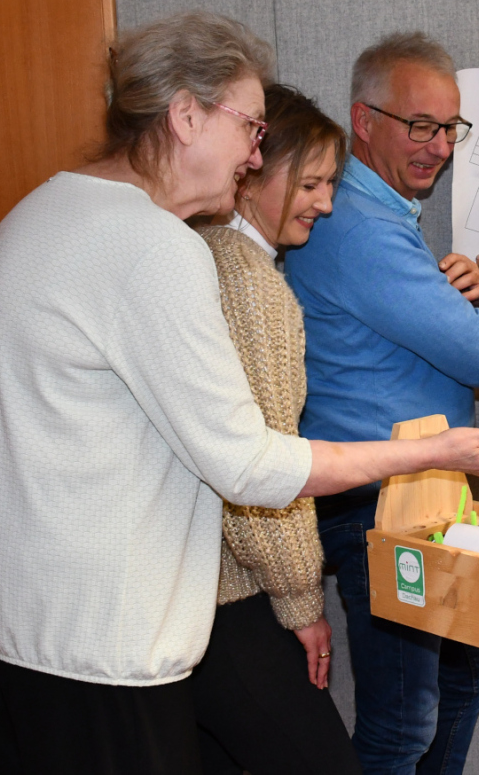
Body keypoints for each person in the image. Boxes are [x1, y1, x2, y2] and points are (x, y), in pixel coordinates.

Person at [0, 11, 479, 775]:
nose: (256, 151)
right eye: (249, 125)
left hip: (7, 625)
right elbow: (249, 466)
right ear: (186, 115)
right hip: (101, 640)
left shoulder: (35, 212)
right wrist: (430, 450)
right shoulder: (156, 250)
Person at [285, 31, 479, 775]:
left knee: (470, 674)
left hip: (421, 496)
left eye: (449, 128)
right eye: (418, 125)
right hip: (378, 502)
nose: (438, 146)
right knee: (401, 722)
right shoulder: (358, 222)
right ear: (363, 122)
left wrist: (471, 295)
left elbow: (422, 330)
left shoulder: (383, 214)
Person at [190, 84, 362, 774]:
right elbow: (265, 463)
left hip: (190, 595)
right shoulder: (251, 284)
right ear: (255, 167)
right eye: (312, 182)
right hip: (236, 598)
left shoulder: (202, 252)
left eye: (330, 184)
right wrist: (300, 600)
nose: (324, 202)